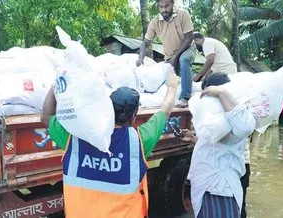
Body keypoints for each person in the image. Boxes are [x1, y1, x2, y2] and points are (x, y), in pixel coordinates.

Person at [41, 72, 179, 218]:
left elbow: (46, 116)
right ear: (133, 117)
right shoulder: (139, 140)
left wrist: (56, 85)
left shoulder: (75, 136)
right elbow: (165, 110)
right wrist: (172, 87)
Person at [187, 73, 255, 218]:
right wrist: (194, 139)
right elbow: (215, 146)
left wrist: (220, 92)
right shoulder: (215, 120)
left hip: (219, 188)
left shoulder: (233, 120)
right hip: (209, 187)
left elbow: (243, 128)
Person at [136, 0, 195, 108]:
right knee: (171, 80)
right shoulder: (155, 22)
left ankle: (185, 97)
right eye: (161, 6)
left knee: (183, 60)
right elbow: (145, 43)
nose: (164, 9)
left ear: (172, 4)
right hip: (169, 57)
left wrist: (176, 57)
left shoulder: (183, 14)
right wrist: (140, 59)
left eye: (167, 6)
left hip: (187, 49)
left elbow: (189, 38)